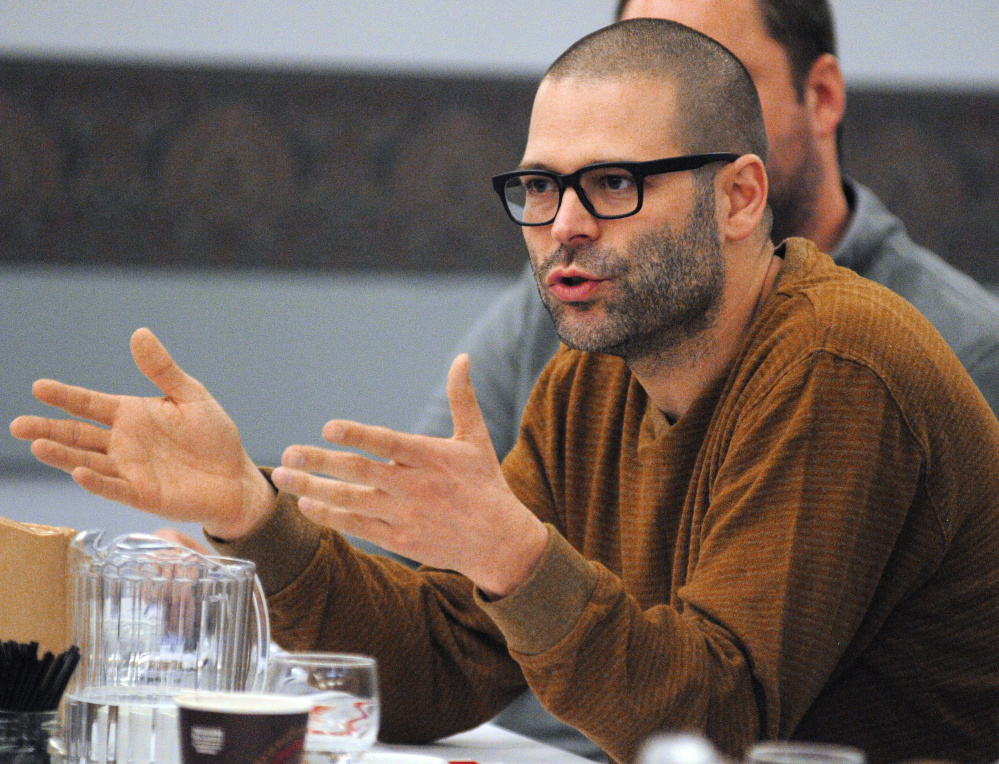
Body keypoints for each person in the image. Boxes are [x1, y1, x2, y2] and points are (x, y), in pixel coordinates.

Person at [10, 18, 999, 764]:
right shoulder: (591, 382)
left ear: (740, 197)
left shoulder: (836, 363)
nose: (561, 224)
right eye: (538, 187)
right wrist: (254, 514)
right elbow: (443, 656)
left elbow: (718, 726)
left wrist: (516, 555)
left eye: (612, 184)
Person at [413, 0, 999, 464]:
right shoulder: (572, 299)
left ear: (820, 97)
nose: (570, 223)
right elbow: (419, 560)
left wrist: (523, 567)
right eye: (641, 73)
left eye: (710, 77)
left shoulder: (959, 350)